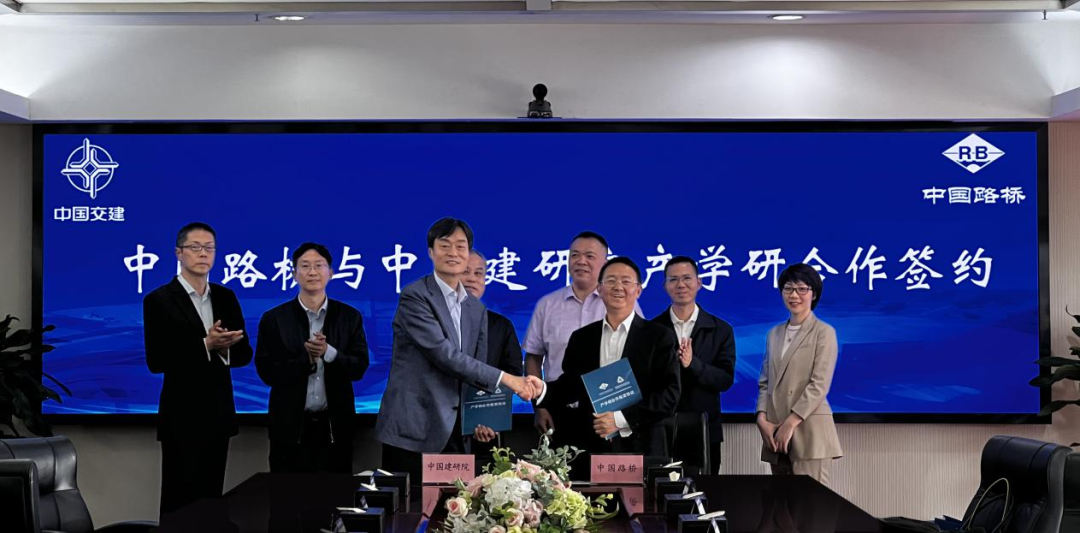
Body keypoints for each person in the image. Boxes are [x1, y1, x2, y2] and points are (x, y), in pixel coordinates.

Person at [375, 218, 537, 497]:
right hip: (413, 428)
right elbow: (444, 355)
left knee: (455, 510)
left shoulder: (476, 308)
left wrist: (481, 417)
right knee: (406, 509)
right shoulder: (415, 296)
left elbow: (476, 367)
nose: (453, 252)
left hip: (456, 431)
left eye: (460, 246)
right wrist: (510, 380)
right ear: (431, 251)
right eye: (445, 245)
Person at [143, 222, 252, 516]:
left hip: (218, 415)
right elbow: (156, 360)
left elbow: (244, 354)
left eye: (209, 248)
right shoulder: (159, 300)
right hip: (181, 418)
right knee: (179, 504)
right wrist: (206, 344)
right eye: (195, 247)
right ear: (179, 253)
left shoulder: (226, 297)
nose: (203, 253)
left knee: (212, 504)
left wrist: (225, 347)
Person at [532, 257, 680, 459]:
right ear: (599, 289)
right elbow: (571, 387)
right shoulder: (582, 338)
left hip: (643, 444)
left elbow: (669, 394)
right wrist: (540, 390)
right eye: (610, 281)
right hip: (590, 444)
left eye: (626, 281)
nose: (618, 287)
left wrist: (620, 419)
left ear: (638, 290)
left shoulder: (659, 336)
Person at [255, 242, 370, 474]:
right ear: (294, 274)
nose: (312, 272)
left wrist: (328, 352)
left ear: (331, 272)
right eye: (305, 266)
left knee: (335, 493)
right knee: (287, 494)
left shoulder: (350, 317)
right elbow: (267, 372)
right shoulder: (274, 319)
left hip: (335, 427)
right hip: (289, 430)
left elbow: (359, 368)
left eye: (319, 265)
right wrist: (305, 360)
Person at [522, 231, 642, 445]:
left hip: (608, 413)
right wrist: (539, 406)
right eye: (574, 255)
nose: (581, 261)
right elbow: (533, 357)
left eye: (589, 256)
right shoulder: (547, 304)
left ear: (605, 263)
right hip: (557, 412)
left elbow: (640, 358)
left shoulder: (623, 303)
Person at [755, 263, 843, 485]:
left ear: (814, 294)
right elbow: (765, 382)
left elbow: (819, 384)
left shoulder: (824, 332)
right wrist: (761, 418)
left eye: (802, 289)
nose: (794, 295)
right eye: (788, 289)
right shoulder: (774, 334)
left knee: (810, 503)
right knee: (780, 503)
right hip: (775, 432)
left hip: (809, 432)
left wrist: (790, 423)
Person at [651, 256, 736, 473]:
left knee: (706, 489)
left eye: (687, 278)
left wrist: (693, 364)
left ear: (699, 282)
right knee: (659, 488)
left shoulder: (720, 329)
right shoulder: (652, 330)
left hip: (705, 430)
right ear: (665, 286)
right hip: (661, 429)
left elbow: (725, 380)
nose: (681, 285)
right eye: (673, 279)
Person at [460, 249, 525, 455]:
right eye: (465, 271)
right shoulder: (434, 321)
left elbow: (513, 374)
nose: (472, 279)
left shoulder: (501, 325)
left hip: (484, 430)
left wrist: (491, 418)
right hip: (436, 430)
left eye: (478, 273)